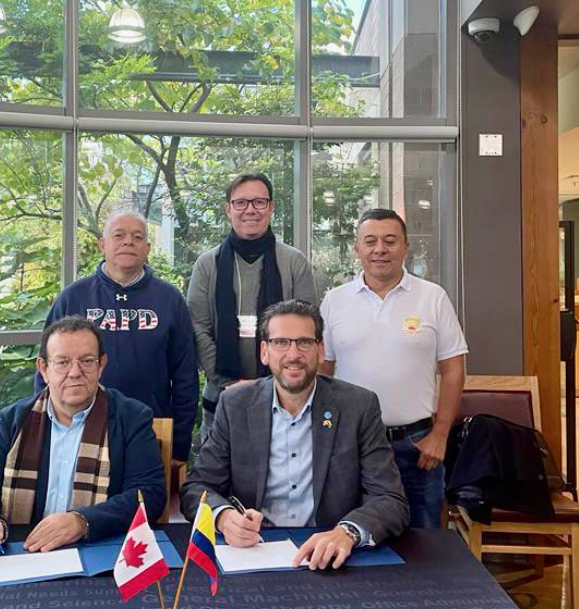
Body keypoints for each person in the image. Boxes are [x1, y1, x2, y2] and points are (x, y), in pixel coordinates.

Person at [180, 300, 408, 570]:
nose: (293, 354)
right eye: (280, 343)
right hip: (254, 551)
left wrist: (347, 532)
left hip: (329, 551)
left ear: (320, 350)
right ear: (264, 352)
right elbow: (197, 487)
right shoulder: (235, 405)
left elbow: (390, 499)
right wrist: (224, 517)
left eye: (304, 342)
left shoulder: (358, 406)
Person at [0, 317, 165, 557]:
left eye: (86, 361)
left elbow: (149, 495)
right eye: (62, 362)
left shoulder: (131, 418)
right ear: (43, 369)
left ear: (101, 365)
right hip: (21, 554)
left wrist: (82, 521)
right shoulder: (12, 420)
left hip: (98, 554)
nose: (75, 373)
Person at [319, 209, 467, 529]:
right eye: (370, 241)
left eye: (390, 241)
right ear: (356, 249)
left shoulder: (433, 297)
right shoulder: (334, 301)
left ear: (405, 247)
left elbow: (453, 369)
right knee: (350, 535)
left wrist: (440, 434)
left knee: (424, 539)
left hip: (416, 444)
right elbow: (322, 372)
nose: (380, 249)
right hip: (350, 444)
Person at [37, 211, 198, 464]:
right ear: (103, 244)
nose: (128, 242)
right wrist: (46, 431)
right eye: (119, 235)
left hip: (151, 428)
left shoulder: (169, 299)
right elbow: (46, 370)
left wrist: (179, 444)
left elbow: (185, 376)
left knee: (145, 501)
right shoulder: (74, 297)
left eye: (137, 237)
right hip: (79, 427)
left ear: (147, 247)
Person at [187, 173, 317, 442]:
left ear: (271, 208)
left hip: (285, 399)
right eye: (241, 203)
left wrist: (272, 384)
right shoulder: (207, 264)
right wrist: (230, 384)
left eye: (259, 202)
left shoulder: (294, 262)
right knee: (220, 476)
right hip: (221, 396)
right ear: (228, 210)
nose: (250, 210)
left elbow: (308, 330)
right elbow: (197, 328)